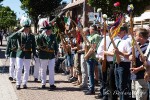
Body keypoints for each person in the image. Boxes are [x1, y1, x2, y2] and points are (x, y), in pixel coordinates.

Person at [10, 16, 37, 90]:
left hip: (28, 54)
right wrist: (19, 30)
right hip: (20, 54)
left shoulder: (32, 36)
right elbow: (11, 37)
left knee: (27, 69)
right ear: (23, 28)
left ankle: (24, 83)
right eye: (25, 28)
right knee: (19, 68)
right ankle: (18, 83)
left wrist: (34, 54)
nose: (26, 29)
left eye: (28, 28)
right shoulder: (19, 34)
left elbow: (34, 46)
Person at [36, 19, 58, 90]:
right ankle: (43, 83)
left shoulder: (53, 36)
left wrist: (56, 52)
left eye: (50, 30)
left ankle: (51, 84)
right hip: (43, 55)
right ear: (46, 30)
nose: (50, 31)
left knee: (51, 70)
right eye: (48, 30)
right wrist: (41, 34)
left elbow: (56, 45)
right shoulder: (41, 36)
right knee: (43, 70)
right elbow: (37, 41)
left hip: (51, 55)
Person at [129, 28, 149, 100]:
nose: (135, 36)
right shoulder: (137, 46)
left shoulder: (147, 47)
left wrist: (138, 69)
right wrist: (131, 57)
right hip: (134, 76)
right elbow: (130, 56)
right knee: (134, 97)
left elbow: (148, 63)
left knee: (141, 97)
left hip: (142, 77)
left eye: (136, 35)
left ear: (140, 36)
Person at [84, 24, 100, 95]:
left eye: (90, 29)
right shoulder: (90, 36)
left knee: (91, 74)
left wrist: (86, 56)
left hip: (92, 57)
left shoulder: (96, 36)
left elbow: (93, 48)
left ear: (93, 30)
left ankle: (92, 89)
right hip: (89, 57)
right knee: (90, 74)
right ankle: (91, 87)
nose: (89, 30)